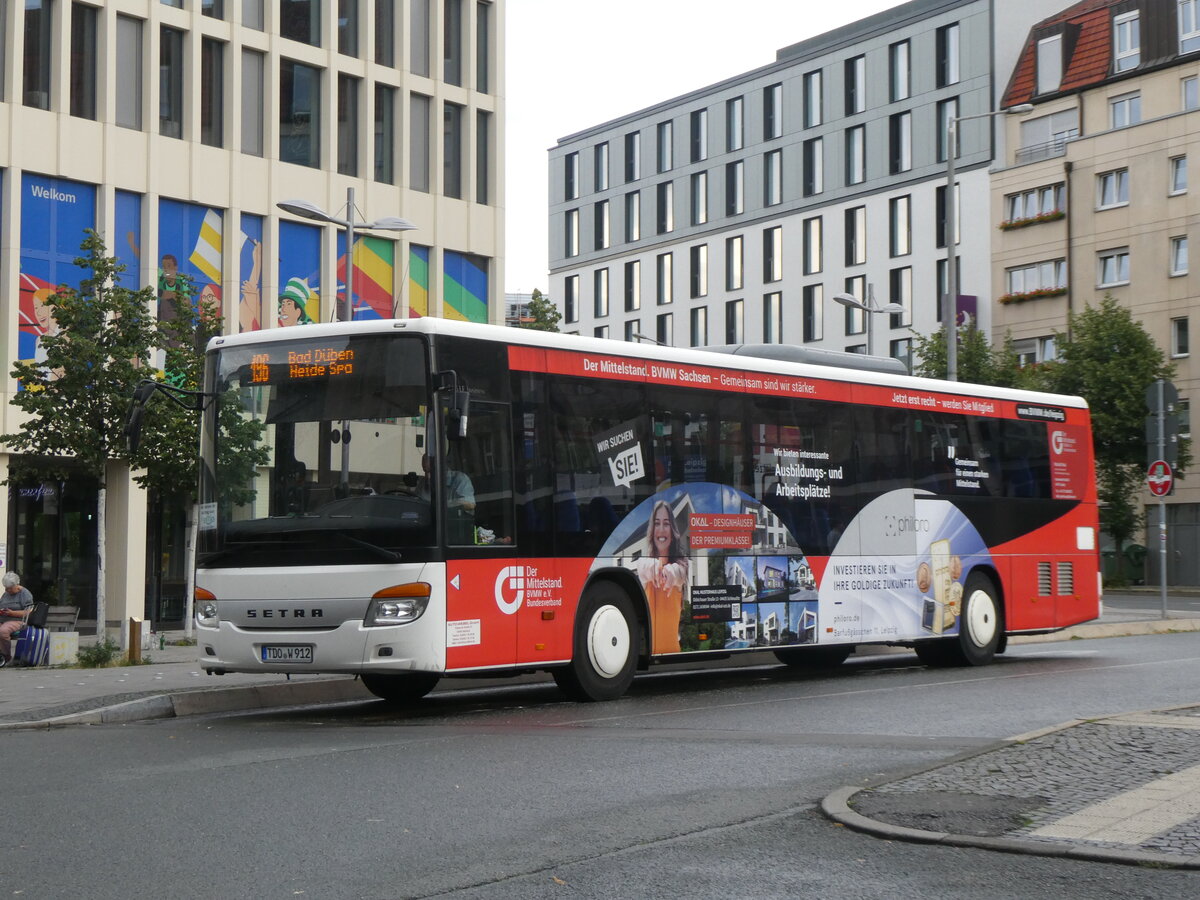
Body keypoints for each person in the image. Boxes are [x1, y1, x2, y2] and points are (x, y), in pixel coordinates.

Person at [632, 500, 689, 654]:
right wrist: (647, 566)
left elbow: (679, 573)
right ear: (652, 529)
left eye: (666, 523)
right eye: (657, 524)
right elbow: (641, 567)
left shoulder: (681, 565)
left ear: (672, 529)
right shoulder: (646, 565)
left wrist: (670, 573)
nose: (661, 529)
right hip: (649, 652)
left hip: (672, 652)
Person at [0, 572, 34, 667]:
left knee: (3, 631)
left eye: (9, 588)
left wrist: (12, 613)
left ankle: (6, 657)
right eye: (5, 587)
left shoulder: (25, 594)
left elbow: (28, 612)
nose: (7, 590)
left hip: (18, 621)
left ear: (16, 585)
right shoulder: (6, 594)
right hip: (3, 619)